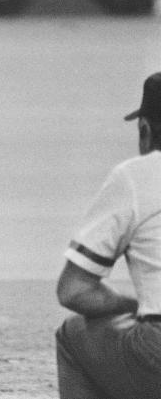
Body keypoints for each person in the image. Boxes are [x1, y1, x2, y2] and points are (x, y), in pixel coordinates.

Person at [55, 72, 161, 399]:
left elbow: (73, 291)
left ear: (145, 129)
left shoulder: (135, 177)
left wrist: (132, 304)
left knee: (73, 337)